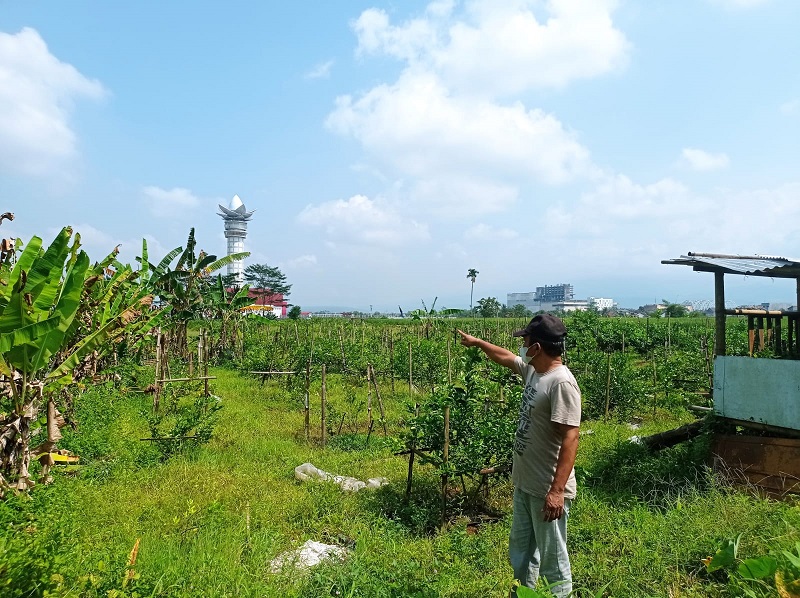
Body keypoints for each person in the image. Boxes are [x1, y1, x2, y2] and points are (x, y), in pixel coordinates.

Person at [457, 314, 581, 597]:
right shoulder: (536, 372)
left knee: (553, 559)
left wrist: (557, 491)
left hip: (546, 488)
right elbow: (507, 358)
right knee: (522, 553)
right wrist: (478, 343)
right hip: (525, 483)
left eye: (526, 341)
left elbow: (570, 438)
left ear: (537, 347)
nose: (522, 347)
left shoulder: (561, 383)